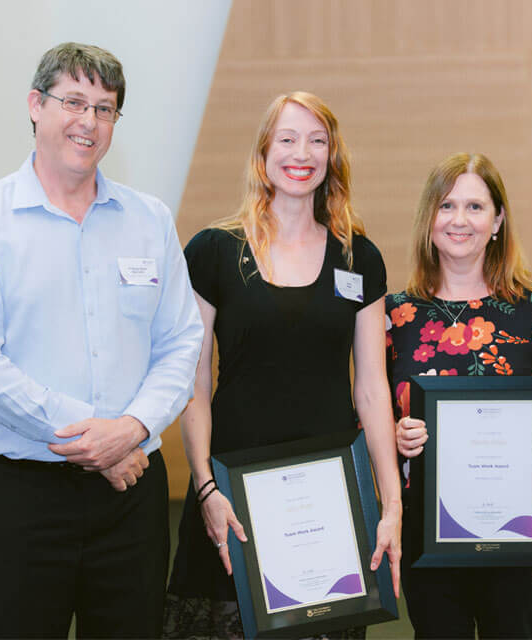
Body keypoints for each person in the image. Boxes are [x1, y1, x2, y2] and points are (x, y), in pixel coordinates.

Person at [0, 42, 203, 639]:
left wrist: (133, 428)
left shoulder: (150, 219)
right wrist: (98, 435)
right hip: (19, 500)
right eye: (74, 102)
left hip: (131, 500)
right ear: (36, 105)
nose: (88, 122)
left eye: (106, 108)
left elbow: (181, 342)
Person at [163, 91, 401, 639]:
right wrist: (204, 488)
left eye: (318, 141)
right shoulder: (213, 251)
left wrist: (390, 506)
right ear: (264, 153)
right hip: (231, 496)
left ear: (332, 157)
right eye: (288, 139)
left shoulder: (358, 258)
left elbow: (371, 390)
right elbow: (193, 384)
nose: (302, 153)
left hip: (329, 501)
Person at [386, 152, 532, 639]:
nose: (459, 220)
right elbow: (372, 419)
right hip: (426, 534)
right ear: (428, 219)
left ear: (497, 220)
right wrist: (397, 435)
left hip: (519, 531)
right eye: (447, 205)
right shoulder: (394, 316)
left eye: (475, 207)